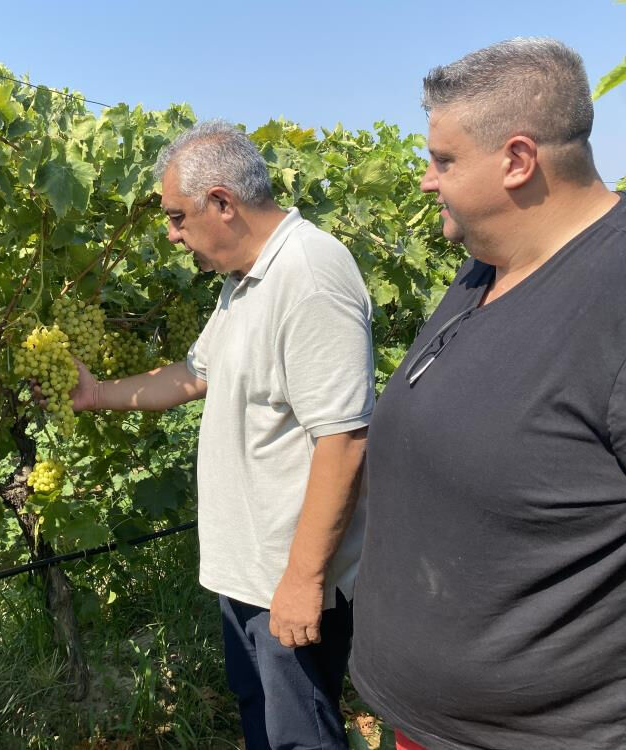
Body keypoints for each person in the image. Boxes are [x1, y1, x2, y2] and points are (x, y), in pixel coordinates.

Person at [349, 38, 625, 750]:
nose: (424, 181)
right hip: (425, 723)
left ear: (517, 160)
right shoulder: (486, 266)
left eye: (442, 161)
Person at [69, 121, 374, 749]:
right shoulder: (245, 281)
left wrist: (302, 581)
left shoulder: (309, 275)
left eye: (178, 217)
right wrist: (99, 395)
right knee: (264, 727)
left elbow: (343, 441)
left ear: (223, 203)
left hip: (286, 583)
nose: (174, 234)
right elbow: (192, 374)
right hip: (248, 576)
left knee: (300, 738)